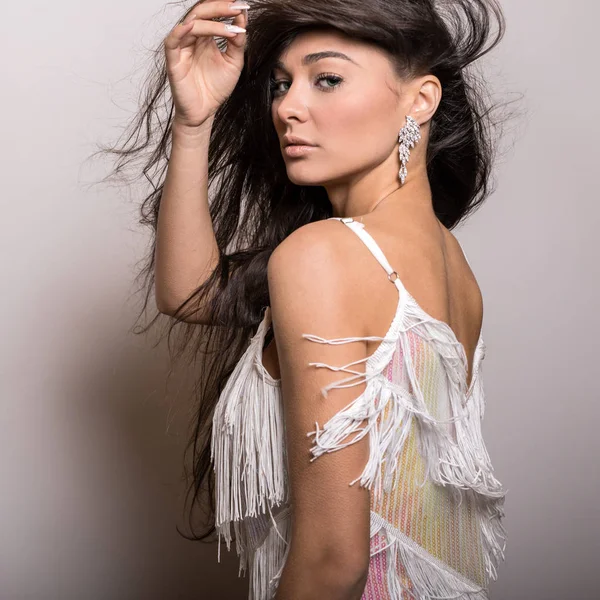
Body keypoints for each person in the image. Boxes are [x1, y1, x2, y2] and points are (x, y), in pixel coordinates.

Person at [100, 0, 509, 597]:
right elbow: (189, 295)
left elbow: (332, 560)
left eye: (328, 79)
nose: (288, 107)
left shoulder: (326, 254)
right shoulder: (449, 262)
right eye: (281, 85)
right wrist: (193, 125)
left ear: (420, 99)